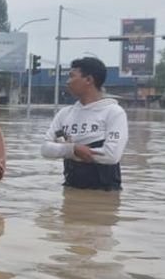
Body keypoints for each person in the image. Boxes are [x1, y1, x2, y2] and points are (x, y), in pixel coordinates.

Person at [40, 56, 129, 191]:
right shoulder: (65, 114)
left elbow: (112, 155)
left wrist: (68, 150)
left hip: (104, 194)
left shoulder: (113, 112)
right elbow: (46, 149)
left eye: (72, 76)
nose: (68, 82)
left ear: (88, 80)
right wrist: (72, 149)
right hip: (71, 190)